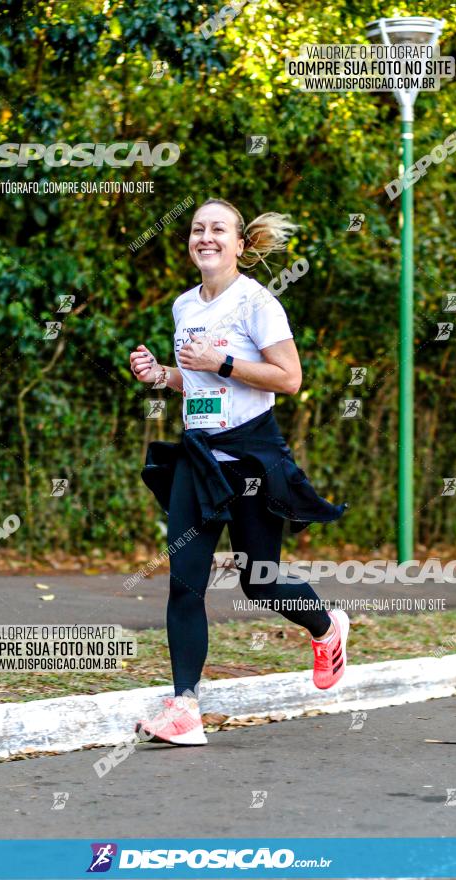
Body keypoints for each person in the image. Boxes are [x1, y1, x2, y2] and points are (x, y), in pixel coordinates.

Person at [129, 198, 349, 746]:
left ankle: (327, 627)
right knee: (185, 583)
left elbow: (289, 378)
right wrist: (162, 375)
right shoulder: (184, 306)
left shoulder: (257, 303)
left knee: (260, 580)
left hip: (250, 458)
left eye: (218, 229)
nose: (206, 237)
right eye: (198, 229)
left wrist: (221, 362)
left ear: (240, 245)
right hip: (200, 459)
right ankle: (185, 709)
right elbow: (196, 381)